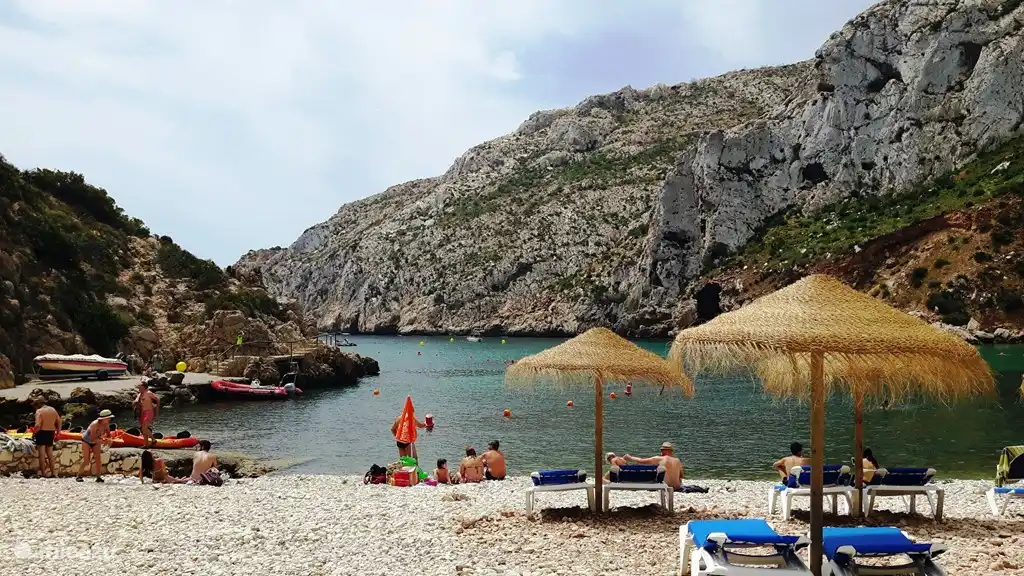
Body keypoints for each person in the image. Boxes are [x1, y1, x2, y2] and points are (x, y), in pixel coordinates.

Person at [76, 410, 115, 482]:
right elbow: (92, 438)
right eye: (108, 418)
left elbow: (109, 434)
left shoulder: (106, 425)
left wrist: (109, 439)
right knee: (86, 461)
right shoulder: (94, 424)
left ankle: (98, 477)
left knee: (98, 460)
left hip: (97, 440)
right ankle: (79, 476)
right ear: (104, 418)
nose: (110, 419)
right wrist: (104, 441)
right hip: (87, 441)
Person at [32, 398, 62, 478]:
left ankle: (43, 473)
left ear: (38, 404)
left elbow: (38, 425)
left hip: (42, 432)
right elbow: (59, 421)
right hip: (51, 432)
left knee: (41, 454)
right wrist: (58, 434)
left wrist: (34, 434)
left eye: (35, 405)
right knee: (50, 454)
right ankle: (53, 473)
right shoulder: (52, 410)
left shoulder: (39, 411)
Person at [133, 381, 160, 447]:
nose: (139, 388)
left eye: (140, 386)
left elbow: (157, 399)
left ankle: (153, 440)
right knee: (143, 429)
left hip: (149, 412)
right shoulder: (139, 394)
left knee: (144, 428)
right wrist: (135, 403)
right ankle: (146, 444)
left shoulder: (149, 393)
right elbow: (135, 401)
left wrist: (157, 410)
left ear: (144, 387)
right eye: (139, 387)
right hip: (142, 413)